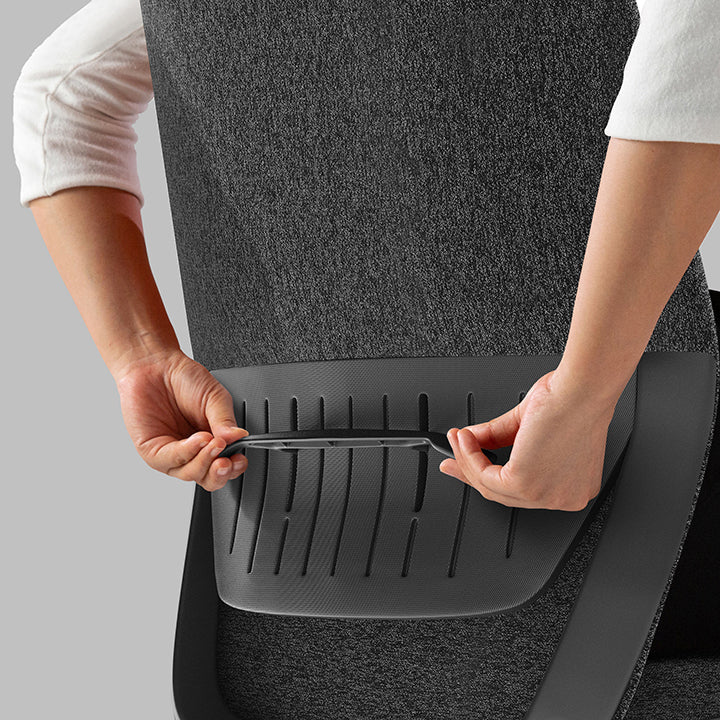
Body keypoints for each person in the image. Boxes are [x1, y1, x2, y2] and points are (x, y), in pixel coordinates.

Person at [12, 0, 720, 713]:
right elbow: (701, 28)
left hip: (292, 569)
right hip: (639, 487)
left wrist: (140, 358)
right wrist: (586, 393)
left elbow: (59, 95)